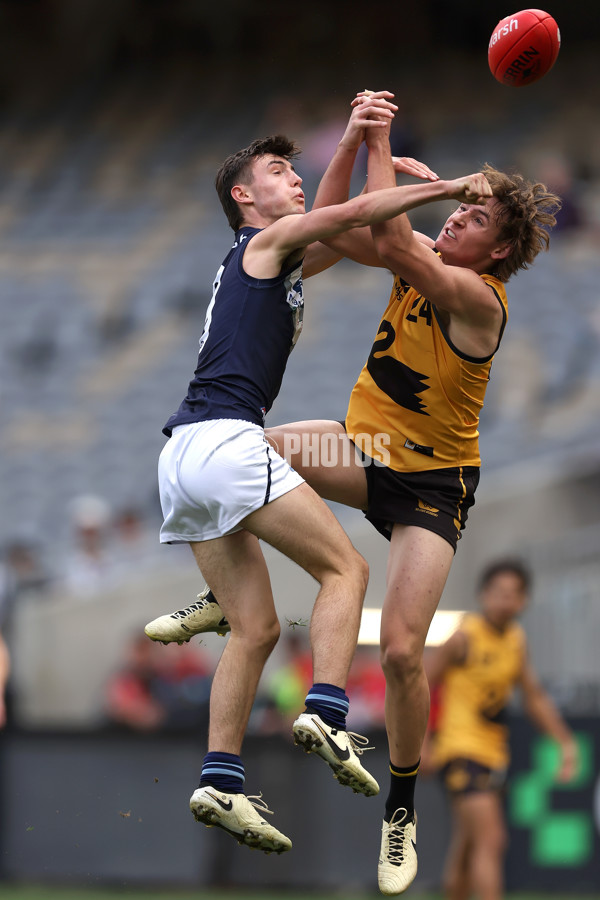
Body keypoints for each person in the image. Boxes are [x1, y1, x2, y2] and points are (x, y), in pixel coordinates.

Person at [145, 90, 561, 884]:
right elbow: (370, 229)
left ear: (497, 254)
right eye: (459, 214)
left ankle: (399, 810)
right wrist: (384, 162)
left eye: (472, 224)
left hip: (436, 480)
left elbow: (394, 238)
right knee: (251, 449)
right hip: (369, 447)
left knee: (403, 651)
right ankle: (225, 598)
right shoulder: (431, 252)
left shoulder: (475, 295)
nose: (456, 225)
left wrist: (382, 146)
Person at [422, 559, 578, 900]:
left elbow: (533, 697)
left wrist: (565, 742)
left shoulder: (516, 640)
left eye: (513, 594)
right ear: (483, 595)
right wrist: (420, 744)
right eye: (498, 592)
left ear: (524, 600)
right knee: (492, 840)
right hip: (460, 750)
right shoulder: (464, 638)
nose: (505, 600)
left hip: (493, 753)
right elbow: (419, 686)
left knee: (467, 844)